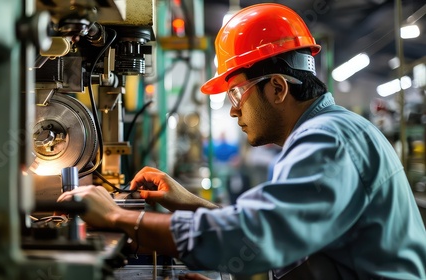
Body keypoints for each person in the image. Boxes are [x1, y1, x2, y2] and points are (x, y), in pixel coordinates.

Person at [58, 3, 426, 279]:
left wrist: (121, 219)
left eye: (236, 95)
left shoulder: (329, 139)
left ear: (278, 88)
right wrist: (190, 204)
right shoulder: (329, 132)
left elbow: (259, 235)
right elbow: (288, 236)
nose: (234, 112)